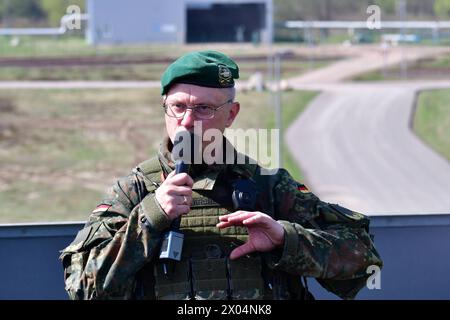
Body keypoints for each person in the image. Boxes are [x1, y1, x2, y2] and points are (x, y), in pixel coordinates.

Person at [60, 50, 382, 300]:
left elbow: (364, 261)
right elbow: (83, 286)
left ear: (231, 114)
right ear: (164, 107)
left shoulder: (268, 186)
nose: (186, 122)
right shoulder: (134, 192)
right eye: (177, 106)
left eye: (204, 109)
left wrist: (286, 240)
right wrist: (151, 216)